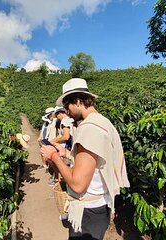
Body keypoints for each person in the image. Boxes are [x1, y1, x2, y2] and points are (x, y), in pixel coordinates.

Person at [40, 78, 130, 240]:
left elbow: (78, 184)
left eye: (67, 106)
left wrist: (53, 156)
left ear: (78, 101)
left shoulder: (88, 129)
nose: (67, 112)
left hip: (88, 213)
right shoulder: (103, 123)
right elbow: (94, 161)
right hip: (100, 208)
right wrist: (66, 154)